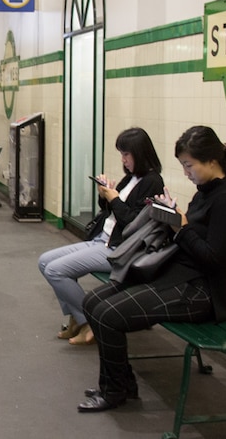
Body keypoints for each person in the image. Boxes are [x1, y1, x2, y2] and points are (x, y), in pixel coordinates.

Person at [76, 125, 226, 412]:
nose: (186, 173)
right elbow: (190, 232)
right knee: (92, 302)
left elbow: (214, 259)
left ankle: (115, 390)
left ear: (212, 161)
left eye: (189, 165)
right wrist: (170, 216)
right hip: (178, 277)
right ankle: (121, 382)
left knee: (108, 315)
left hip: (201, 293)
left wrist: (180, 228)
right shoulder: (206, 192)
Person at [38, 128, 164, 345]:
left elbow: (133, 224)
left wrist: (114, 199)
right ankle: (78, 318)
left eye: (126, 155)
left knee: (55, 270)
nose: (123, 160)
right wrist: (105, 195)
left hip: (120, 250)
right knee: (44, 261)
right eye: (122, 155)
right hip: (102, 240)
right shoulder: (130, 179)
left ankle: (90, 321)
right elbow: (111, 213)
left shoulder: (152, 182)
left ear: (140, 153)